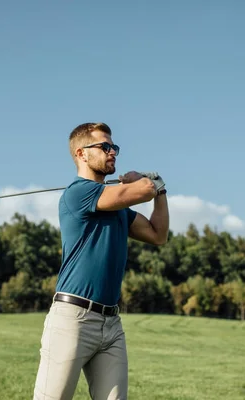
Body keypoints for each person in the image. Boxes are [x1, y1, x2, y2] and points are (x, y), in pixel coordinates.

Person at [33, 122, 170, 400]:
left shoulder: (118, 208)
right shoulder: (78, 192)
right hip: (73, 320)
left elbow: (158, 235)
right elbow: (144, 189)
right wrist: (145, 179)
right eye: (105, 147)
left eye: (114, 147)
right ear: (81, 154)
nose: (113, 153)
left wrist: (161, 191)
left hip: (111, 325)